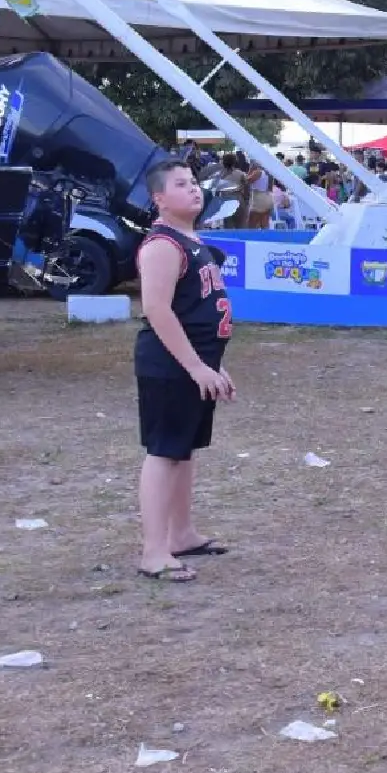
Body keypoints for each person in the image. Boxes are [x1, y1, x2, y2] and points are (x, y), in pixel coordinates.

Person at [132, 163, 235, 583]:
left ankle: (181, 533)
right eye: (181, 185)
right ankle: (153, 552)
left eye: (194, 182)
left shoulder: (192, 240)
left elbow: (196, 309)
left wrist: (213, 365)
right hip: (170, 367)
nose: (193, 190)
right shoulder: (162, 244)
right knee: (163, 453)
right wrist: (194, 365)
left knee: (184, 451)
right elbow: (157, 310)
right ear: (159, 198)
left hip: (195, 365)